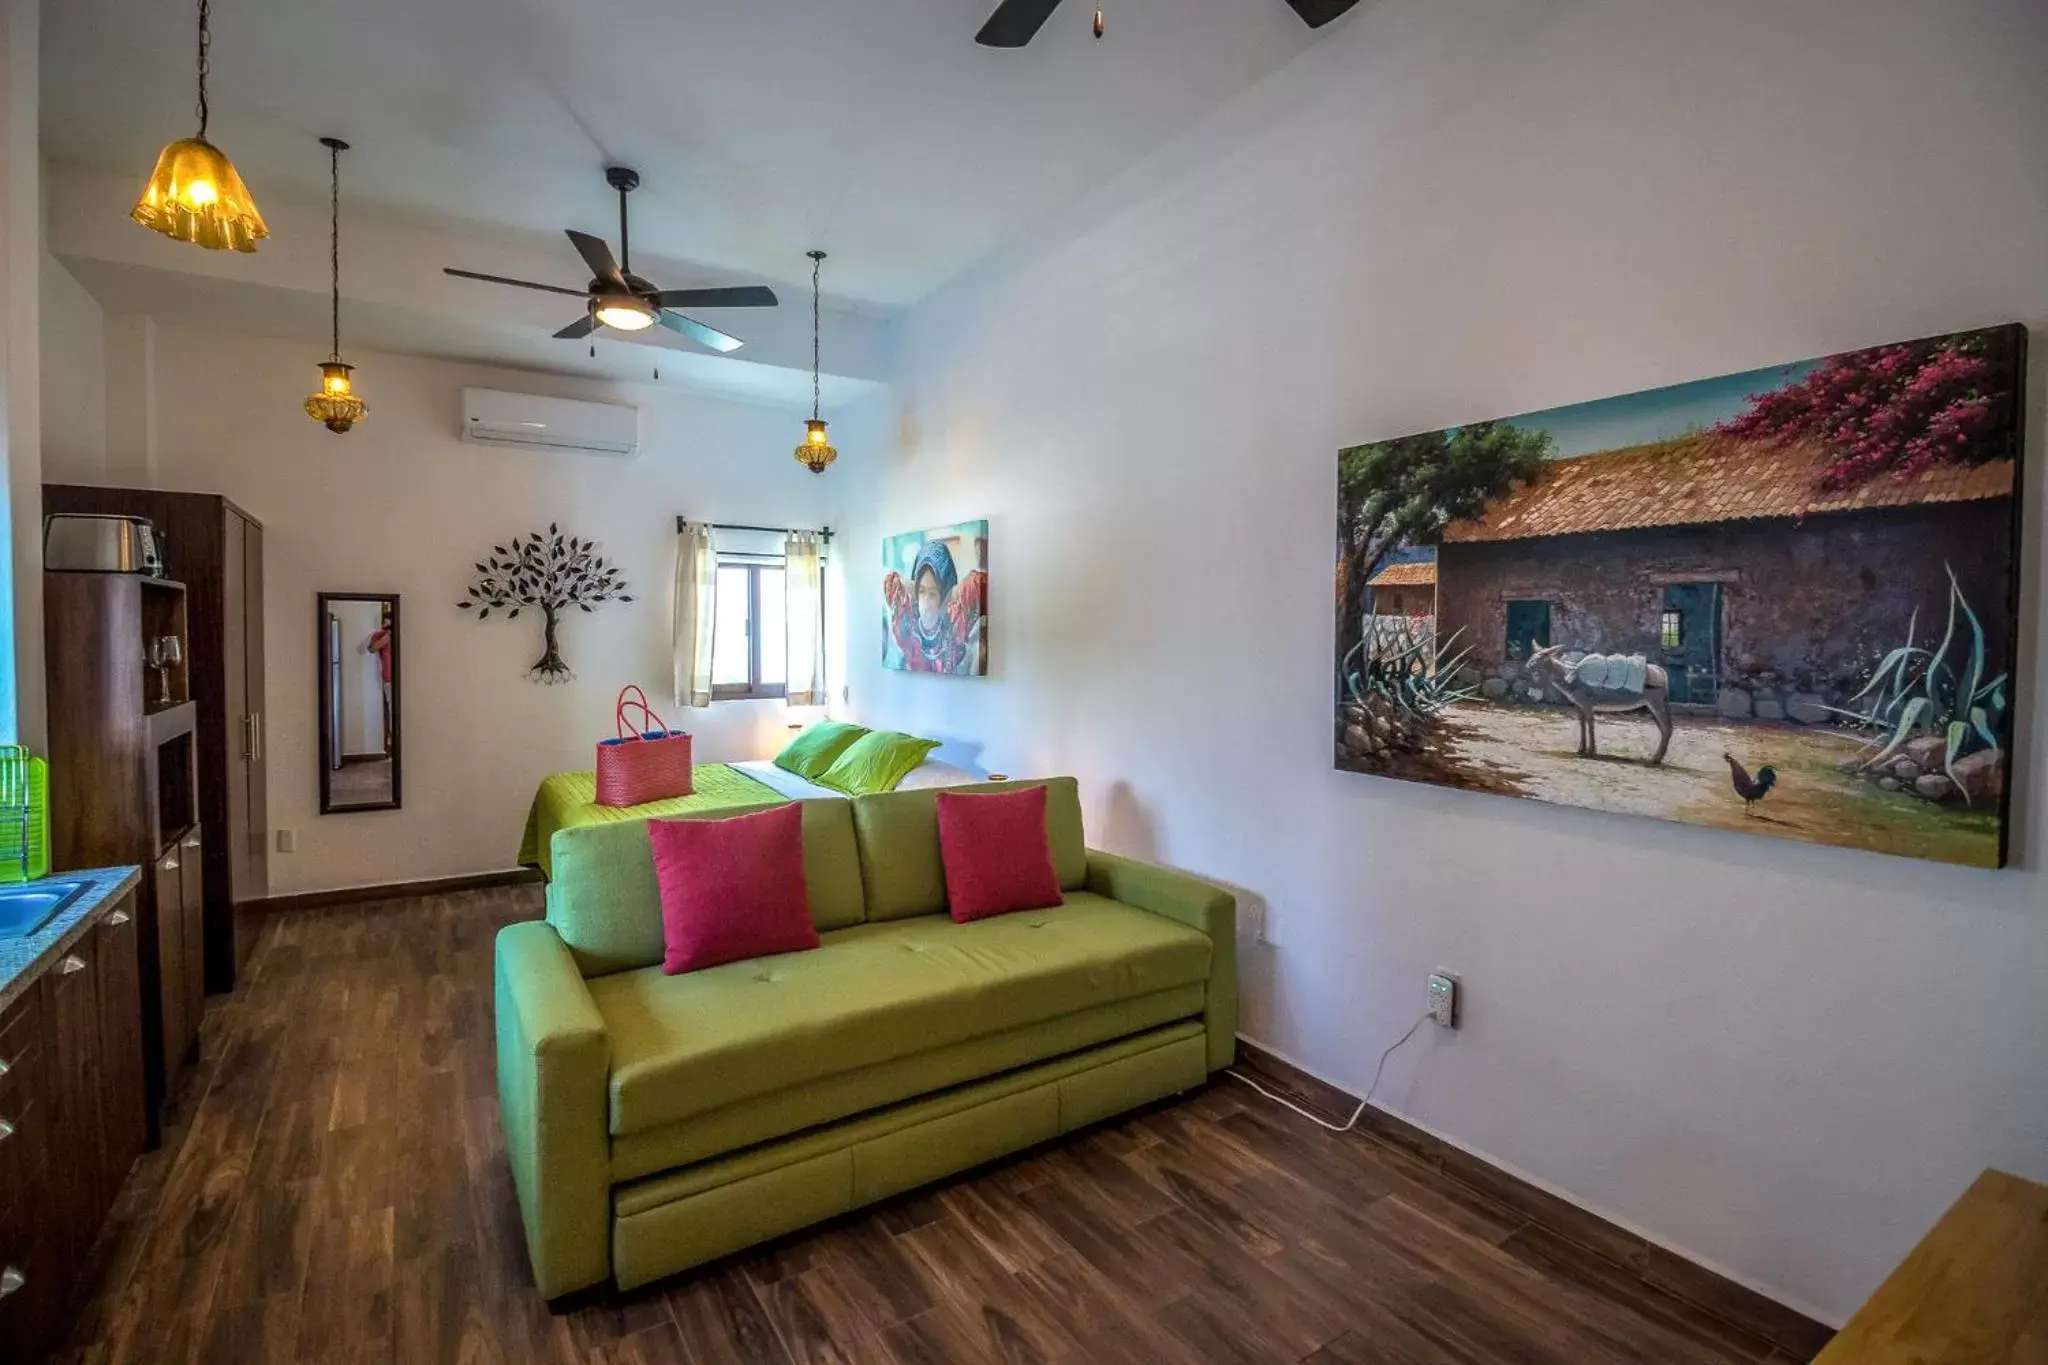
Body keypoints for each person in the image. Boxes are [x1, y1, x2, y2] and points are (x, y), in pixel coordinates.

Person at [883, 539, 986, 674]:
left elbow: (981, 584)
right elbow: (889, 581)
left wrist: (953, 595)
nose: (925, 602)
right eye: (921, 591)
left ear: (944, 596)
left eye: (932, 594)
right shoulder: (907, 630)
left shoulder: (957, 630)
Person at [365, 609, 394, 753]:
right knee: (393, 711)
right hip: (389, 679)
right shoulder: (380, 634)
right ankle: (394, 744)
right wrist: (387, 635)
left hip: (409, 678)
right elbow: (371, 649)